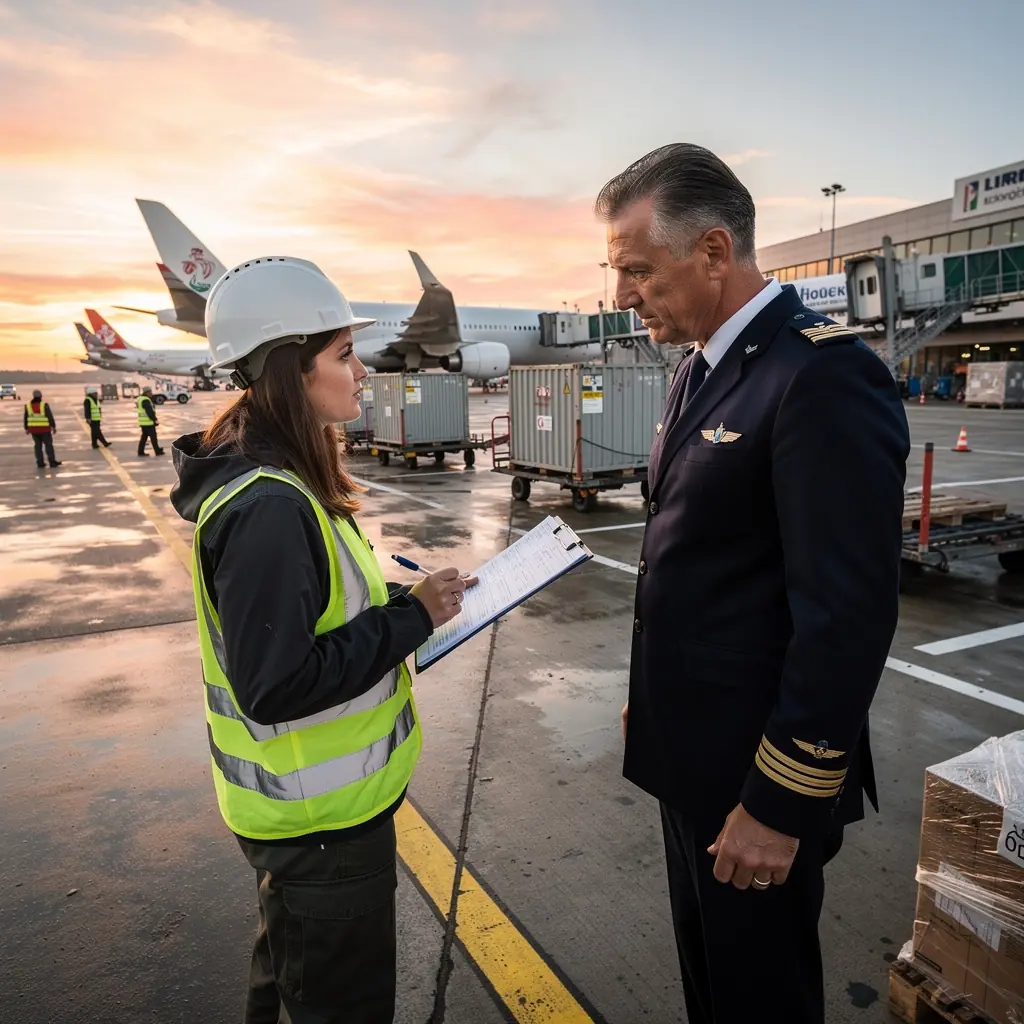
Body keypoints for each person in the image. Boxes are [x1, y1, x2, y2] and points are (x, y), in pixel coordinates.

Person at [595, 144, 910, 1024]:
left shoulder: (820, 374)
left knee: (758, 996)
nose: (621, 295)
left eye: (637, 270)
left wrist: (779, 806)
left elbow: (845, 616)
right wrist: (649, 703)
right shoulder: (699, 365)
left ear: (714, 252)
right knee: (710, 983)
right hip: (688, 753)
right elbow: (695, 559)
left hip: (754, 779)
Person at [169, 255, 476, 1024]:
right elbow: (274, 686)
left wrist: (400, 605)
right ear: (290, 370)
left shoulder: (281, 480)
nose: (361, 371)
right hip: (320, 829)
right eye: (342, 354)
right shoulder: (269, 506)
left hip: (315, 825)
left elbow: (317, 624)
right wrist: (412, 618)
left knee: (292, 987)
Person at [24, 389, 61, 468]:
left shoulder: (28, 406)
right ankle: (52, 462)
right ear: (41, 396)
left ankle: (40, 462)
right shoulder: (44, 405)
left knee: (37, 446)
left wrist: (26, 428)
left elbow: (26, 417)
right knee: (48, 445)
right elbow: (49, 416)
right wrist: (53, 426)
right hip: (44, 430)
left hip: (34, 430)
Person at [137, 386, 164, 456]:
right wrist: (154, 420)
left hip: (143, 422)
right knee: (153, 437)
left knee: (144, 437)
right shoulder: (145, 400)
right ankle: (157, 451)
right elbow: (149, 412)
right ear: (147, 392)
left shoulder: (140, 398)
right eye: (150, 392)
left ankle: (140, 451)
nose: (152, 393)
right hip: (148, 422)